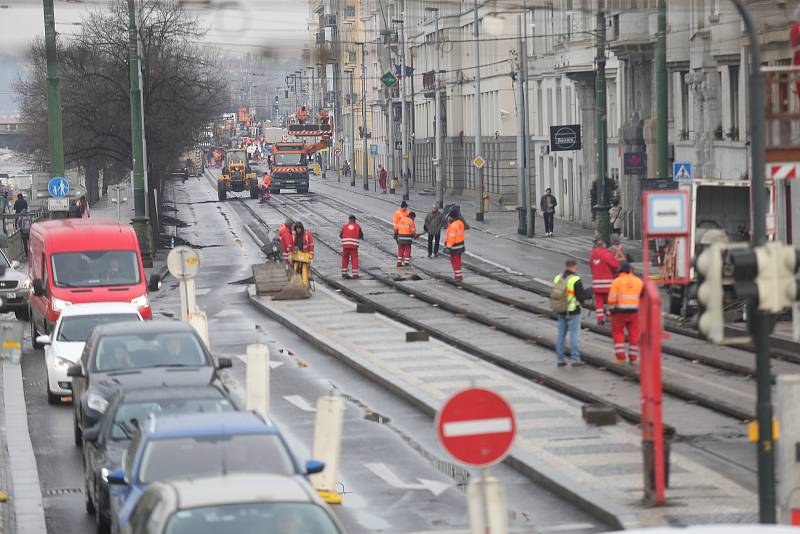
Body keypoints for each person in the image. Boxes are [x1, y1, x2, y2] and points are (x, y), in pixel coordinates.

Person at [552, 259, 590, 367]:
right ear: (574, 266)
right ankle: (575, 359)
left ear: (566, 266)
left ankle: (560, 359)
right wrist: (588, 293)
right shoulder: (575, 279)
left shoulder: (557, 277)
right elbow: (581, 296)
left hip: (560, 309)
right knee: (574, 335)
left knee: (561, 335)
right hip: (573, 311)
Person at [607, 262, 644, 365]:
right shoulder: (639, 281)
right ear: (631, 270)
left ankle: (621, 358)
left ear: (621, 271)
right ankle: (633, 359)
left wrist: (610, 310)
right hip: (634, 312)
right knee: (634, 335)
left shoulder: (617, 282)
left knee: (618, 333)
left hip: (619, 312)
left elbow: (611, 300)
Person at [589, 238, 620, 325]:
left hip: (597, 283)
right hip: (608, 283)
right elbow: (615, 265)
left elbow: (591, 267)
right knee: (610, 301)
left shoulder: (593, 255)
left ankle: (600, 318)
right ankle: (609, 315)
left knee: (599, 301)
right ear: (604, 245)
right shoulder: (607, 254)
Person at [444, 208, 465, 281]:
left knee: (455, 261)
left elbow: (451, 238)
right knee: (458, 261)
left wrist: (448, 247)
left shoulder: (453, 226)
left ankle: (458, 276)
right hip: (460, 246)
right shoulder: (460, 223)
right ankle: (459, 275)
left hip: (454, 247)